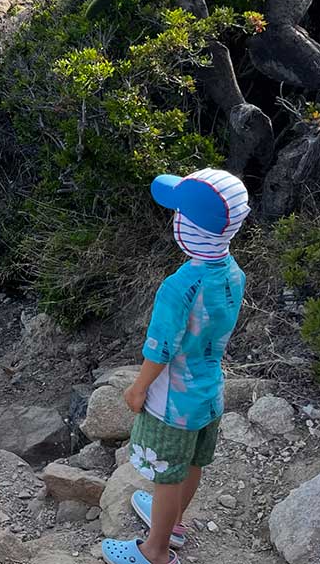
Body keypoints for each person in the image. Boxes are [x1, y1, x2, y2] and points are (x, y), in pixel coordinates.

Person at [101, 168, 250, 564]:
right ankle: (175, 524)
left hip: (172, 402)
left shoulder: (178, 286)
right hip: (209, 393)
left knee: (167, 476)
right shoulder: (234, 274)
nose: (175, 219)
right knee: (193, 464)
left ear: (189, 226)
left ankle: (156, 551)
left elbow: (160, 348)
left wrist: (137, 388)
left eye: (179, 214)